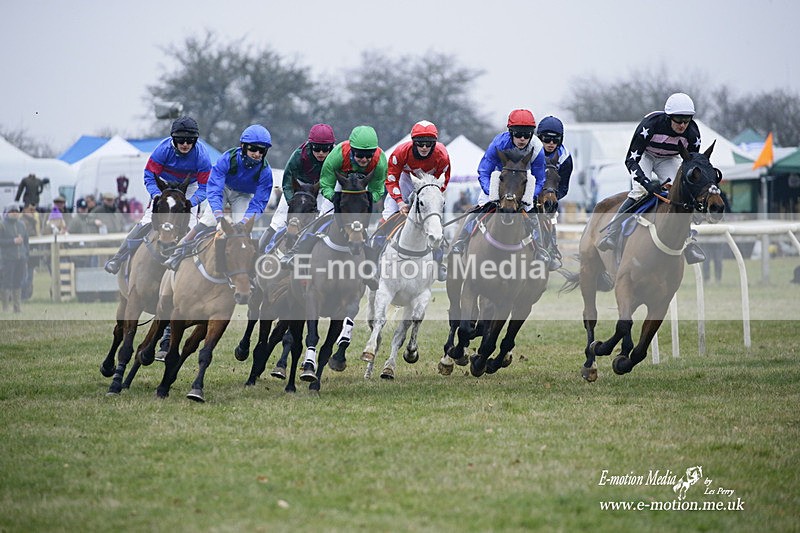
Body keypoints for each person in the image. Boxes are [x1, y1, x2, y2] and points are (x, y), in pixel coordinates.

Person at [597, 93, 706, 264]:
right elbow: (631, 160)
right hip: (646, 155)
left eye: (687, 120)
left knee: (682, 192)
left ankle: (689, 242)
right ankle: (612, 232)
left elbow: (691, 165)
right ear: (669, 116)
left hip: (669, 159)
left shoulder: (693, 133)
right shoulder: (650, 125)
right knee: (639, 191)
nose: (683, 125)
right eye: (678, 119)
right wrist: (648, 184)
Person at [104, 116, 212, 274]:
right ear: (173, 139)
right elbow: (149, 175)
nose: (185, 144)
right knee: (147, 219)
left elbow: (204, 187)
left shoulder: (202, 156)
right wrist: (157, 196)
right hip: (164, 184)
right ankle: (118, 258)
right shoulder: (163, 150)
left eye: (190, 141)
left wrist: (191, 202)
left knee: (191, 225)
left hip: (189, 186)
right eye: (181, 140)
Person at [449, 109, 553, 268]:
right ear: (510, 132)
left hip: (522, 181)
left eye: (527, 134)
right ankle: (462, 241)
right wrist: (490, 191)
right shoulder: (499, 143)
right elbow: (484, 170)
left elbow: (540, 178)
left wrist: (531, 195)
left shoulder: (537, 148)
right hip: (498, 179)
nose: (523, 139)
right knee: (480, 209)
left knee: (532, 214)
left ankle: (540, 249)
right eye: (518, 134)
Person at [164, 124, 274, 270]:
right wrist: (218, 216)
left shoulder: (265, 172)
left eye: (262, 150)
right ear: (243, 146)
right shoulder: (228, 158)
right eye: (253, 149)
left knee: (244, 230)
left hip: (243, 195)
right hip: (222, 189)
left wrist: (245, 222)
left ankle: (252, 270)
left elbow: (259, 203)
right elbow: (214, 189)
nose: (257, 154)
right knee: (208, 220)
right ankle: (178, 252)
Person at [279, 125, 387, 271]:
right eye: (360, 155)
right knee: (323, 217)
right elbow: (325, 183)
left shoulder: (380, 160)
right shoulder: (338, 154)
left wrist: (366, 199)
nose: (364, 159)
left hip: (361, 189)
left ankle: (372, 268)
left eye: (369, 156)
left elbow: (378, 189)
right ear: (352, 150)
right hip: (339, 184)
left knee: (361, 222)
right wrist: (335, 199)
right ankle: (295, 253)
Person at [378, 120, 451, 280]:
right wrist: (400, 202)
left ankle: (438, 263)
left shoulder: (442, 155)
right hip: (405, 180)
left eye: (428, 143)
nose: (424, 147)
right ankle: (375, 259)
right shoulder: (400, 152)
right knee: (388, 214)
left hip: (430, 183)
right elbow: (391, 179)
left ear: (434, 144)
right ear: (413, 143)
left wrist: (431, 199)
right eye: (420, 143)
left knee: (434, 219)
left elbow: (443, 182)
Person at [260, 123, 336, 250]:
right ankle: (260, 253)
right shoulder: (299, 155)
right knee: (278, 221)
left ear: (331, 147)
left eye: (325, 148)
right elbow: (287, 182)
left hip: (323, 190)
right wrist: (294, 203)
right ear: (310, 145)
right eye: (316, 148)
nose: (321, 153)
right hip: (299, 188)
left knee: (325, 220)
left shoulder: (336, 156)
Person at [535, 115, 574, 270]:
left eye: (555, 140)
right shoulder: (530, 151)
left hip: (550, 195)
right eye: (546, 139)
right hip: (527, 192)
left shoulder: (565, 158)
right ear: (539, 138)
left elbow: (563, 186)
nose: (551, 144)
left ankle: (551, 251)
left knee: (551, 218)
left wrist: (552, 198)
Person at [0, 205, 29, 313]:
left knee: (18, 282)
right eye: (12, 211)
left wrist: (26, 254)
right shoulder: (2, 225)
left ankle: (17, 308)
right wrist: (13, 241)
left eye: (16, 211)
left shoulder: (22, 225)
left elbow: (26, 241)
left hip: (20, 258)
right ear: (7, 213)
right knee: (6, 283)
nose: (15, 213)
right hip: (7, 258)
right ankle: (5, 308)